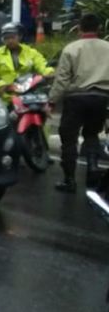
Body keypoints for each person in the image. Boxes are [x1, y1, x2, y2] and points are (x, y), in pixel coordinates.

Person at [48, 14, 109, 192]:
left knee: (69, 138)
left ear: (80, 29)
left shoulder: (71, 49)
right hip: (101, 98)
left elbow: (62, 79)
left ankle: (69, 179)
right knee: (92, 134)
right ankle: (92, 168)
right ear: (99, 28)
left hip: (76, 98)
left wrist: (51, 101)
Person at [0, 22, 54, 103]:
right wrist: (2, 86)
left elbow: (42, 65)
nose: (10, 40)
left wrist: (49, 72)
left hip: (27, 96)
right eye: (6, 38)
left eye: (13, 37)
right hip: (4, 98)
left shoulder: (30, 52)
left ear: (19, 37)